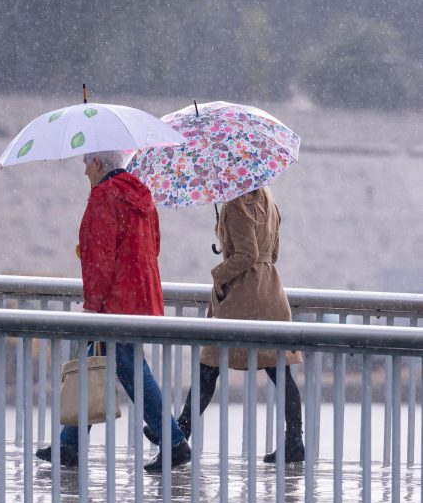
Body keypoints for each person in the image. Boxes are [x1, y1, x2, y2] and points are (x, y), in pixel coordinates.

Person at [36, 150, 191, 473]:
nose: (83, 169)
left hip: (115, 304)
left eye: (85, 162)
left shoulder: (103, 198)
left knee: (130, 370)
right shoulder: (142, 195)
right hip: (142, 297)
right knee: (94, 362)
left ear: (97, 163)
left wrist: (93, 307)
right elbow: (154, 246)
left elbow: (99, 261)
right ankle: (69, 445)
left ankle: (174, 442)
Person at [143, 186, 305, 463]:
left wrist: (218, 272)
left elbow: (246, 255)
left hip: (243, 297)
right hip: (270, 291)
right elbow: (271, 253)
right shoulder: (268, 198)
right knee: (279, 369)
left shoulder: (235, 203)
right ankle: (294, 441)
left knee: (209, 367)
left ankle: (178, 437)